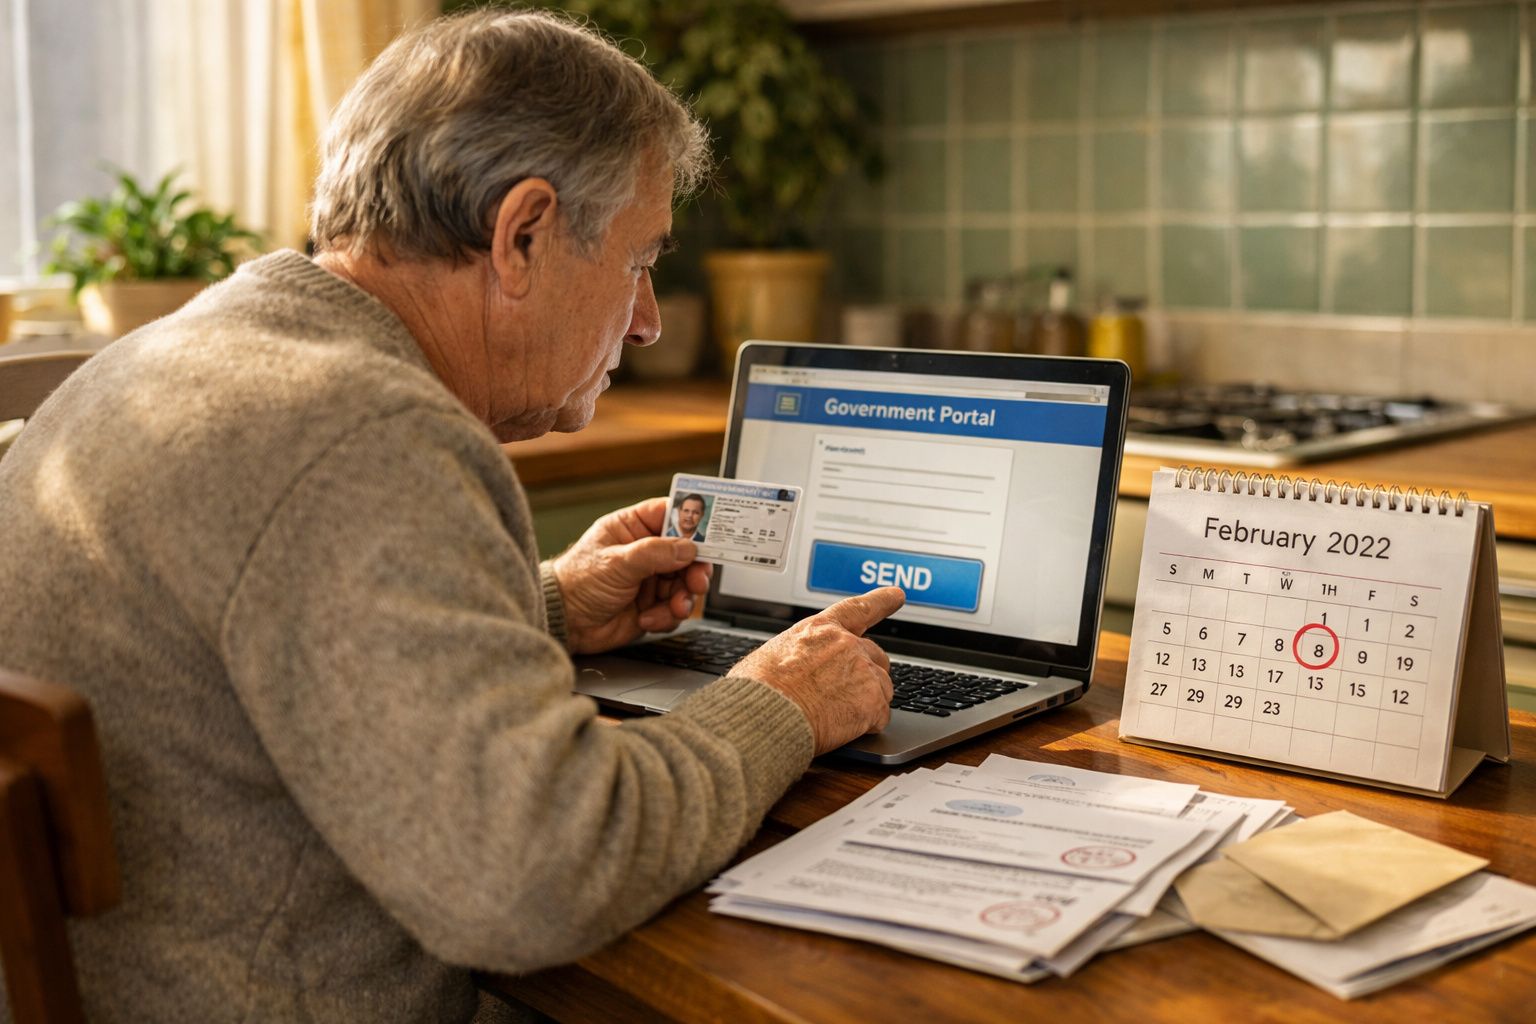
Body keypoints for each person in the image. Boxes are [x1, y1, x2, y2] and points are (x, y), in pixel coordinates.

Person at [0, 10, 901, 1024]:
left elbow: (279, 643)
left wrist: (549, 604)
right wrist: (780, 701)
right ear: (521, 235)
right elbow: (539, 878)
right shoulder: (361, 434)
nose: (646, 318)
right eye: (640, 261)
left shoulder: (179, 355)